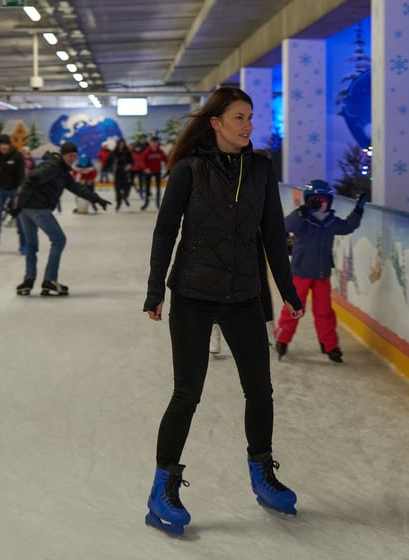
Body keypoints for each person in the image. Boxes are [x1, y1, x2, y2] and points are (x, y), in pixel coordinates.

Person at [142, 86, 304, 535]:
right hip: (192, 294)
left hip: (244, 297)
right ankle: (162, 488)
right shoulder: (189, 170)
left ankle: (262, 473)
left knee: (261, 389)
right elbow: (164, 233)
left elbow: (272, 233)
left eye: (250, 116)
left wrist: (287, 290)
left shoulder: (261, 170)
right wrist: (156, 290)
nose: (248, 124)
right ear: (215, 123)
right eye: (238, 117)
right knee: (186, 395)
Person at [274, 180, 365, 364]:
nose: (321, 204)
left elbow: (347, 227)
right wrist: (302, 212)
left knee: (324, 312)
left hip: (322, 275)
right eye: (316, 200)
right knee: (294, 309)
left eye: (324, 200)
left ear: (330, 201)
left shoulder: (331, 221)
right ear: (308, 201)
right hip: (300, 273)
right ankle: (282, 339)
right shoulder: (303, 220)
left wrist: (358, 210)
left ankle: (330, 345)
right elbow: (286, 226)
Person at [14, 141, 111, 297]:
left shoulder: (62, 171)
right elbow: (31, 179)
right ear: (63, 154)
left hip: (28, 208)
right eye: (70, 155)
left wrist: (96, 198)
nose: (73, 158)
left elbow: (77, 188)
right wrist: (20, 201)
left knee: (31, 244)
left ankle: (29, 280)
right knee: (59, 240)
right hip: (36, 207)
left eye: (75, 156)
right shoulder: (53, 167)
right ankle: (49, 280)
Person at [105, 138, 133, 211]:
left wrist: (129, 166)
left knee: (126, 188)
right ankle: (118, 203)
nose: (121, 146)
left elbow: (131, 161)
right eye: (120, 144)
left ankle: (124, 197)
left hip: (125, 172)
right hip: (117, 172)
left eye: (122, 144)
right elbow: (108, 161)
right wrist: (105, 169)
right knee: (117, 189)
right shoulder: (114, 153)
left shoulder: (127, 152)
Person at [140, 136, 167, 210]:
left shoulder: (160, 151)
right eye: (153, 142)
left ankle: (158, 203)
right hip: (148, 172)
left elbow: (165, 159)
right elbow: (142, 161)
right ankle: (146, 203)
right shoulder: (147, 151)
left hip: (157, 171)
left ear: (157, 143)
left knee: (158, 188)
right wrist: (145, 168)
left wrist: (167, 166)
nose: (154, 144)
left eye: (155, 142)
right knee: (147, 189)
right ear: (150, 143)